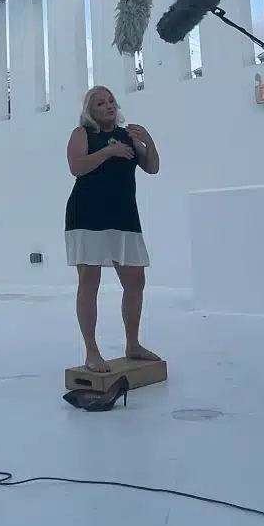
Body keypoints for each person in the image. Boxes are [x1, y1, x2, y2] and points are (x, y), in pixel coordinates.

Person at [65, 86, 161, 374]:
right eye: (100, 103)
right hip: (88, 216)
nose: (108, 106)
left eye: (110, 101)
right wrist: (108, 151)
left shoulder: (126, 135)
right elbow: (77, 167)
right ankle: (91, 351)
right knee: (89, 282)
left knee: (135, 281)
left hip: (124, 217)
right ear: (90, 111)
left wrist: (148, 142)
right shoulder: (82, 134)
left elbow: (152, 167)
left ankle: (133, 344)